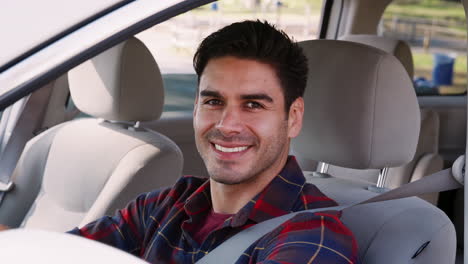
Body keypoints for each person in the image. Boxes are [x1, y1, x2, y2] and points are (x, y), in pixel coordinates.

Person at [68, 20, 358, 263]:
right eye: (213, 101)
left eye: (253, 105)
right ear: (195, 107)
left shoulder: (314, 235)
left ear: (293, 117)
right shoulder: (162, 207)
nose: (226, 125)